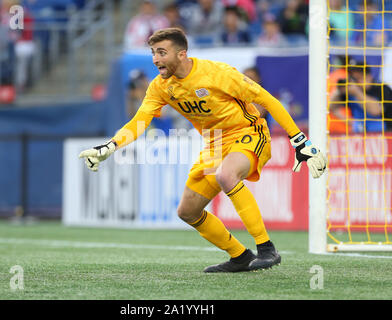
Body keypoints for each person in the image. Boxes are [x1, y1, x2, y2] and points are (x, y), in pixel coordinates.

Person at [79, 28, 327, 273]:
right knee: (188, 211)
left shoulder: (218, 73)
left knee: (226, 175)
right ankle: (240, 256)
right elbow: (139, 122)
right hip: (215, 143)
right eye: (153, 52)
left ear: (181, 54)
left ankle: (266, 249)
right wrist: (110, 147)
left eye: (162, 52)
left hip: (248, 132)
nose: (155, 59)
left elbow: (268, 101)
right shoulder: (160, 87)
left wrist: (300, 141)